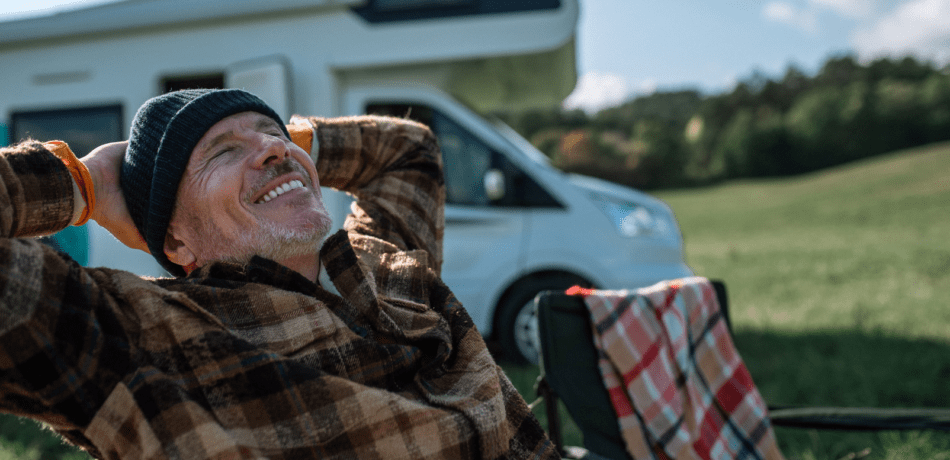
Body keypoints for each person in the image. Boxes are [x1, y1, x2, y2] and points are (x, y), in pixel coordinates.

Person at [0, 89, 558, 459]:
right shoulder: (144, 335)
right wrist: (84, 184)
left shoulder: (384, 265)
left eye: (275, 135)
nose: (273, 149)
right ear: (175, 239)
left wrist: (294, 147)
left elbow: (407, 151)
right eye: (222, 151)